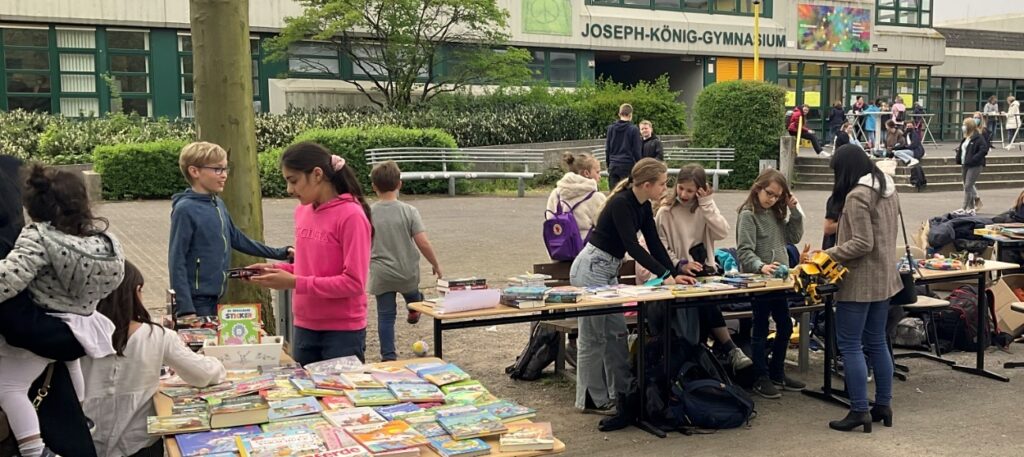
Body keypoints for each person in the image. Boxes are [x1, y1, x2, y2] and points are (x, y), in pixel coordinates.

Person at [0, 164, 126, 457]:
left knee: (9, 386)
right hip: (83, 319)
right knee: (69, 366)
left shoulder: (39, 238)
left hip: (49, 319)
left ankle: (34, 450)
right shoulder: (100, 240)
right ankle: (81, 414)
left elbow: (9, 279)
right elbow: (117, 278)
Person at [570, 158, 690, 430]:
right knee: (593, 337)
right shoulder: (622, 202)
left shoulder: (644, 205)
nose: (665, 188)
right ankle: (591, 398)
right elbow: (633, 247)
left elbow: (655, 242)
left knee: (617, 334)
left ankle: (621, 397)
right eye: (662, 183)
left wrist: (673, 271)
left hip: (607, 271)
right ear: (646, 185)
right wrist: (664, 275)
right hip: (591, 269)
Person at [83, 261, 226, 457]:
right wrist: (217, 361)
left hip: (85, 440)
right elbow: (203, 375)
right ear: (136, 291)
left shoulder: (76, 336)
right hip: (138, 444)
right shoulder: (156, 336)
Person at [247, 142, 373, 365]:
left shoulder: (351, 216)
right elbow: (308, 269)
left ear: (317, 174)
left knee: (338, 399)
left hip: (342, 332)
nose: (289, 190)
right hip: (304, 326)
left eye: (293, 181)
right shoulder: (302, 211)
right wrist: (275, 270)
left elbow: (354, 283)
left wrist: (295, 282)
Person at [824, 144, 901, 433]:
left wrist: (828, 255)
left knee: (850, 345)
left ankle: (859, 410)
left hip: (859, 281)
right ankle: (883, 405)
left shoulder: (857, 196)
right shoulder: (886, 188)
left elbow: (861, 243)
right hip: (884, 278)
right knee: (877, 342)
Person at [168, 141, 292, 317]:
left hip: (216, 297)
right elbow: (176, 259)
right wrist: (185, 307)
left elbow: (237, 239)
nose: (224, 175)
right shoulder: (185, 209)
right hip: (196, 303)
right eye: (217, 169)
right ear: (194, 171)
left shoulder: (218, 203)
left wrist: (281, 253)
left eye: (226, 169)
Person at [653, 164, 753, 371]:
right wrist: (680, 264)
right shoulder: (666, 212)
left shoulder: (704, 208)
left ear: (700, 189)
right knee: (703, 301)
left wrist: (707, 203)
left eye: (690, 191)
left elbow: (722, 231)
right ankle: (729, 348)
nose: (684, 194)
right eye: (681, 188)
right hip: (678, 273)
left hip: (704, 272)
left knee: (705, 298)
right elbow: (660, 246)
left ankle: (715, 358)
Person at [735, 168, 806, 399]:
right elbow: (744, 251)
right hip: (760, 281)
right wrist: (760, 265)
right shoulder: (748, 214)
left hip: (779, 281)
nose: (772, 199)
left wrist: (794, 211)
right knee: (761, 327)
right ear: (758, 188)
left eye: (777, 196)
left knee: (785, 325)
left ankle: (777, 372)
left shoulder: (775, 213)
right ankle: (760, 376)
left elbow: (793, 237)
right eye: (769, 193)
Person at [367, 161, 442, 362]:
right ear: (399, 184)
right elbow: (422, 242)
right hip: (406, 270)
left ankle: (388, 357)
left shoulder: (368, 213)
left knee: (385, 316)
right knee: (413, 295)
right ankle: (414, 306)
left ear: (374, 186)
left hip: (381, 272)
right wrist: (435, 263)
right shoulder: (409, 211)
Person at [546, 152, 608, 249]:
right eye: (597, 172)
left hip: (559, 250)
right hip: (586, 252)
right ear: (586, 173)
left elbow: (549, 219)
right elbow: (606, 228)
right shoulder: (596, 197)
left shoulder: (556, 194)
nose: (599, 177)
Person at [954, 117, 988, 216]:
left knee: (968, 185)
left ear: (969, 126)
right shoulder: (966, 138)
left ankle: (964, 208)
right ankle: (971, 208)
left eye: (965, 125)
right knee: (966, 186)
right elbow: (963, 149)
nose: (963, 127)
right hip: (965, 164)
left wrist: (974, 159)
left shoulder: (978, 137)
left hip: (975, 165)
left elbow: (983, 150)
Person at [605, 103, 643, 190]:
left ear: (619, 114)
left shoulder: (611, 128)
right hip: (627, 165)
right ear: (631, 115)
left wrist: (608, 164)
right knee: (626, 195)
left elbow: (608, 148)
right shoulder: (633, 129)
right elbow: (637, 151)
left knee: (613, 195)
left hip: (613, 165)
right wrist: (639, 166)